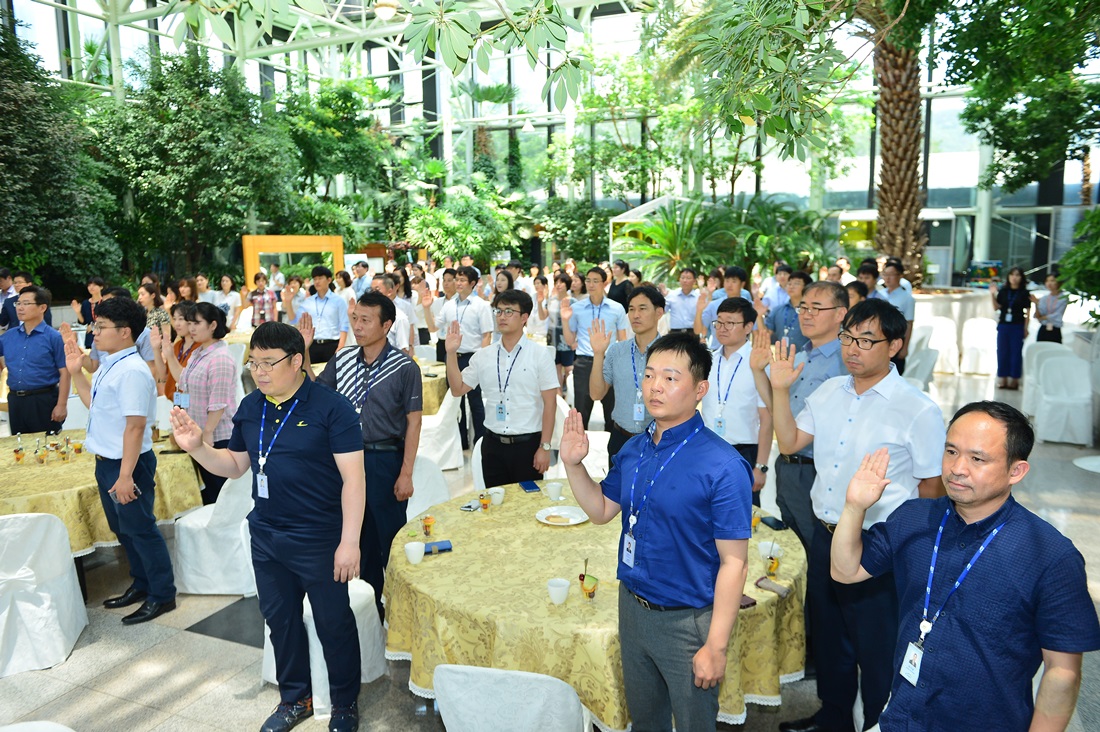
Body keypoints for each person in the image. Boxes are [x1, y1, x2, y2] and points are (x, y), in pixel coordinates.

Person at [830, 401, 1100, 732]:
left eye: (977, 459)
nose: (958, 468)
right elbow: (845, 570)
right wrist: (854, 507)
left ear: (1016, 471)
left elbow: (1062, 672)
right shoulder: (915, 517)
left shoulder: (1051, 555)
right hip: (900, 718)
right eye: (951, 452)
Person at [169, 322, 365, 732]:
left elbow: (354, 480)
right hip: (268, 535)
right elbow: (236, 466)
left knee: (333, 622)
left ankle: (345, 703)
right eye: (253, 362)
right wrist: (199, 448)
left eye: (268, 363)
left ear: (297, 361)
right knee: (280, 620)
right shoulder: (252, 405)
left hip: (320, 535)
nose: (258, 371)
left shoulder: (332, 407)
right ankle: (295, 699)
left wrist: (350, 542)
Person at [561, 332, 753, 731]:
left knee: (693, 724)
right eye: (649, 376)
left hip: (687, 621)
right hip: (633, 609)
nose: (655, 387)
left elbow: (735, 563)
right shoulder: (634, 448)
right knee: (646, 722)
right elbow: (600, 510)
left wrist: (715, 646)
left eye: (670, 377)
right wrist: (573, 465)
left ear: (700, 389)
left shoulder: (723, 465)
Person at [770, 298, 945, 732]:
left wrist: (916, 555)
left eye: (867, 340)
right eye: (849, 337)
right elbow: (790, 442)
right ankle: (832, 719)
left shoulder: (917, 408)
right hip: (825, 533)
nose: (853, 348)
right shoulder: (829, 391)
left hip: (881, 543)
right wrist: (777, 389)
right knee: (829, 637)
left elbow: (931, 488)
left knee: (877, 645)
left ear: (895, 346)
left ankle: (878, 724)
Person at [308, 292, 422, 620]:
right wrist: (303, 350)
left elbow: (414, 423)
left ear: (386, 325)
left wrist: (406, 473)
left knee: (392, 540)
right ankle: (373, 611)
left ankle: (404, 611)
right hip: (345, 461)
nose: (357, 326)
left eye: (365, 320)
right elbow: (318, 395)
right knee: (359, 539)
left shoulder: (404, 367)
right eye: (355, 318)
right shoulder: (342, 358)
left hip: (384, 459)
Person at [63, 296, 176, 625]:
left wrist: (125, 476)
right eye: (94, 325)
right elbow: (96, 406)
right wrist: (76, 373)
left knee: (140, 529)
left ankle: (162, 594)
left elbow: (135, 426)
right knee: (123, 528)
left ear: (125, 332)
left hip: (128, 464)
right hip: (108, 461)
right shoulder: (109, 363)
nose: (94, 332)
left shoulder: (131, 371)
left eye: (101, 327)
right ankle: (141, 584)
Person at [750, 281, 849, 553]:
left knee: (817, 551)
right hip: (788, 465)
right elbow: (777, 408)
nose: (806, 314)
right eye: (803, 307)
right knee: (793, 544)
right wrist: (759, 371)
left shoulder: (846, 361)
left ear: (840, 314)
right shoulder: (801, 355)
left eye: (817, 308)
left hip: (817, 468)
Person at [446, 289, 557, 488]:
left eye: (508, 312)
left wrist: (545, 447)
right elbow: (457, 389)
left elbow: (550, 404)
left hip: (528, 446)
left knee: (527, 506)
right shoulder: (483, 355)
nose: (501, 317)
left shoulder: (539, 355)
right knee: (496, 507)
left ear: (524, 317)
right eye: (498, 311)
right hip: (493, 445)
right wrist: (451, 354)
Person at [155, 302, 238, 505]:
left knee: (219, 496)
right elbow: (183, 380)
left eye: (197, 323)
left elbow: (218, 403)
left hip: (218, 438)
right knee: (207, 494)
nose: (191, 328)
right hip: (200, 435)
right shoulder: (199, 352)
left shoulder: (220, 357)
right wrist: (168, 354)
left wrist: (208, 433)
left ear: (212, 325)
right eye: (189, 322)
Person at [700, 297, 771, 507]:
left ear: (748, 326)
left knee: (740, 518)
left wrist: (761, 466)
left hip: (743, 454)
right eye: (719, 322)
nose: (722, 328)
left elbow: (767, 419)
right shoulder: (708, 361)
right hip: (706, 449)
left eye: (730, 323)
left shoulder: (759, 362)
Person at [590, 286, 665, 465]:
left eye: (642, 308)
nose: (635, 315)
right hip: (620, 439)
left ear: (659, 312)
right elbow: (596, 394)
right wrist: (599, 353)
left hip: (659, 440)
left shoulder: (670, 353)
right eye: (631, 309)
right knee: (616, 492)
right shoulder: (617, 351)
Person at [435, 266, 493, 449]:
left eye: (462, 280)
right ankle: (461, 442)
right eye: (456, 280)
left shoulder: (481, 305)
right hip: (453, 357)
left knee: (475, 401)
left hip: (473, 357)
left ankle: (480, 442)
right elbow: (433, 327)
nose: (457, 284)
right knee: (454, 401)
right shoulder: (449, 305)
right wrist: (427, 308)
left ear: (473, 283)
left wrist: (482, 360)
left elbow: (486, 335)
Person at [563, 267, 628, 430]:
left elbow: (623, 339)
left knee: (613, 415)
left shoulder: (617, 308)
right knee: (580, 415)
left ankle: (613, 454)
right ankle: (576, 453)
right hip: (584, 362)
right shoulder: (577, 308)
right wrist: (564, 320)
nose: (591, 284)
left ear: (604, 283)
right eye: (588, 280)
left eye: (595, 281)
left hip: (609, 362)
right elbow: (570, 341)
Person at [0, 286, 68, 434]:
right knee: (20, 448)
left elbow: (64, 372)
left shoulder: (53, 337)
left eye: (26, 303)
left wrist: (62, 405)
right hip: (15, 401)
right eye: (18, 303)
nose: (20, 308)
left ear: (42, 307)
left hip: (43, 400)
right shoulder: (7, 337)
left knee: (47, 448)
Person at [286, 266, 349, 365]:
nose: (317, 282)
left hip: (332, 345)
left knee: (332, 378)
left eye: (320, 278)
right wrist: (288, 302)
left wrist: (340, 348)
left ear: (329, 280)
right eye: (315, 279)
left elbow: (344, 326)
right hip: (312, 345)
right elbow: (294, 320)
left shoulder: (339, 301)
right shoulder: (308, 302)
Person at [992, 266, 1031, 390]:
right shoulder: (1003, 291)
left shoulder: (1024, 293)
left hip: (1017, 325)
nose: (1014, 278)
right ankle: (1002, 378)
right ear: (1008, 277)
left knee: (1016, 353)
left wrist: (1026, 328)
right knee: (1002, 351)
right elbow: (996, 307)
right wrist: (992, 295)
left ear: (1021, 278)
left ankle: (1014, 380)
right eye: (1012, 275)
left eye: (1017, 275)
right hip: (1003, 325)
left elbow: (1028, 312)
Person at [696, 265, 750, 348]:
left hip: (741, 354)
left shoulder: (748, 306)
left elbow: (757, 332)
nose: (729, 285)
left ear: (742, 284)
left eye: (734, 281)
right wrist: (699, 311)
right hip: (717, 352)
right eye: (727, 281)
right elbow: (698, 330)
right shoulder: (713, 305)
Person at [155, 301, 198, 405]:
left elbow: (189, 381)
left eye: (181, 319)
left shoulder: (200, 347)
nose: (176, 324)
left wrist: (170, 356)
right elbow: (164, 376)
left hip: (193, 404)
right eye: (174, 319)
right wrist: (156, 349)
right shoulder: (178, 345)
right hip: (176, 402)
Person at [879, 261, 915, 375]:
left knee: (894, 373)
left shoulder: (907, 298)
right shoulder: (880, 294)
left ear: (900, 276)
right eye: (885, 274)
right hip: (880, 339)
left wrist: (905, 348)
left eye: (891, 275)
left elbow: (909, 323)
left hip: (896, 339)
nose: (887, 278)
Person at [766, 271, 812, 352]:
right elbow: (765, 334)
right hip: (782, 359)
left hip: (806, 359)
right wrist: (759, 315)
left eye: (796, 283)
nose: (791, 286)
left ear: (806, 287)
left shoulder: (812, 312)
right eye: (789, 284)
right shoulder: (778, 310)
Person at [422, 267, 457, 361]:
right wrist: (426, 308)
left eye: (449, 280)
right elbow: (432, 328)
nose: (446, 283)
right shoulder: (437, 302)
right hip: (441, 342)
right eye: (444, 280)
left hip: (457, 344)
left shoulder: (461, 302)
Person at [71, 276, 106, 348]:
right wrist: (77, 312)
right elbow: (83, 322)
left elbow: (109, 318)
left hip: (104, 334)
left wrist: (94, 325)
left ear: (101, 287)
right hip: (90, 337)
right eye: (89, 285)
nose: (91, 287)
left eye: (94, 285)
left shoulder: (105, 302)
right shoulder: (86, 303)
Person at [1033, 273, 1067, 344]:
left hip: (1055, 330)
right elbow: (1038, 316)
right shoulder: (1044, 298)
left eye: (1052, 280)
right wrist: (1036, 304)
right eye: (1047, 281)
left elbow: (1057, 315)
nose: (1049, 283)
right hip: (1043, 329)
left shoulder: (1063, 298)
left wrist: (1044, 317)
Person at [665, 268, 700, 333]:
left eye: (688, 278)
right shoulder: (672, 295)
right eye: (682, 278)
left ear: (694, 281)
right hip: (675, 332)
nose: (685, 280)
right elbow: (663, 310)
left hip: (692, 332)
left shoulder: (698, 298)